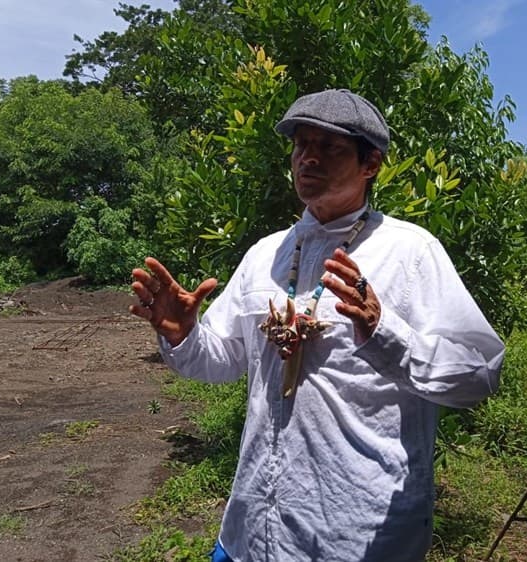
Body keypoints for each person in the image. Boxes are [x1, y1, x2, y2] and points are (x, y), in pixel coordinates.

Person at [130, 89, 504, 562]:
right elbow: (222, 361)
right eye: (301, 144)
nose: (308, 158)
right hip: (251, 529)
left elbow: (479, 375)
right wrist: (183, 334)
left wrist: (385, 332)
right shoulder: (267, 254)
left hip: (354, 534)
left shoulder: (410, 252)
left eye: (330, 147)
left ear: (371, 165)